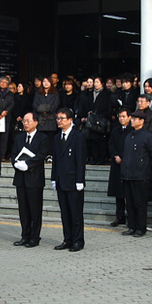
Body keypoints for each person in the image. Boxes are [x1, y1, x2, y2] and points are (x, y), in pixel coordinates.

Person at [11, 112, 49, 248]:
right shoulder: (19, 137)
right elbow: (14, 153)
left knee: (35, 209)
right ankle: (25, 235)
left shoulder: (42, 138)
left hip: (35, 179)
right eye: (24, 121)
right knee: (23, 210)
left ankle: (35, 237)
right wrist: (16, 163)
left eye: (28, 121)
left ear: (36, 122)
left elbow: (41, 155)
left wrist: (28, 164)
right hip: (21, 179)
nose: (25, 124)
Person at [51, 107, 87, 251]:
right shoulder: (57, 137)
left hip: (73, 181)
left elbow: (80, 160)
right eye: (58, 118)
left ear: (70, 120)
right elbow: (55, 160)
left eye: (62, 118)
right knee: (65, 213)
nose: (59, 121)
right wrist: (54, 178)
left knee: (75, 213)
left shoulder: (78, 137)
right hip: (61, 180)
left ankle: (78, 240)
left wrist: (80, 180)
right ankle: (67, 239)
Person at [120, 110, 152, 237]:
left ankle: (140, 227)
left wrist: (148, 169)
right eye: (132, 118)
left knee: (140, 203)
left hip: (141, 175)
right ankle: (131, 226)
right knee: (130, 203)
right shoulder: (129, 136)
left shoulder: (147, 137)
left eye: (135, 119)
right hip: (127, 175)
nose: (132, 120)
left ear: (142, 121)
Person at [107, 108, 132, 227]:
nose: (121, 119)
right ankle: (119, 216)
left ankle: (131, 218)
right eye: (120, 116)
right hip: (116, 164)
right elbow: (110, 143)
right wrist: (115, 155)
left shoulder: (132, 131)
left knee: (128, 192)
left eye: (123, 116)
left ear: (129, 117)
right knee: (118, 192)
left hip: (127, 164)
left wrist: (122, 156)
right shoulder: (116, 130)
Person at [32, 75, 59, 158]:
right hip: (41, 119)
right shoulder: (38, 94)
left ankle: (50, 155)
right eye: (44, 82)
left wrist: (45, 108)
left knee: (50, 138)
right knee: (41, 138)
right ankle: (41, 155)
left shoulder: (55, 93)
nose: (46, 83)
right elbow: (35, 105)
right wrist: (44, 108)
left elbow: (55, 106)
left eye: (48, 81)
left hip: (50, 119)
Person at [0, 76, 15, 160]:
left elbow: (12, 104)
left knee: (4, 138)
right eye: (1, 82)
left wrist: (6, 111)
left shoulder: (10, 93)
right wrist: (0, 112)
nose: (3, 83)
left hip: (6, 117)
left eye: (5, 82)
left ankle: (2, 155)